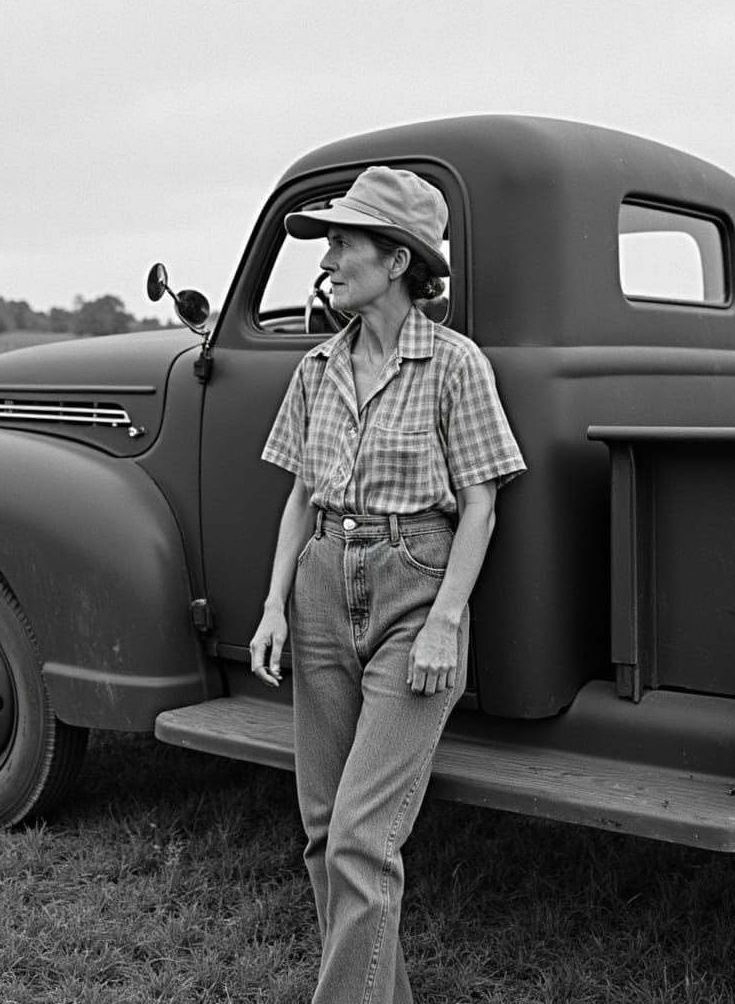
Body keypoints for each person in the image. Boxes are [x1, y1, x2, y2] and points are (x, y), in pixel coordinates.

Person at [249, 166, 525, 1004]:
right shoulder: (316, 367)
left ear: (398, 260)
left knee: (362, 840)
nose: (326, 260)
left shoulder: (454, 365)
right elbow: (300, 495)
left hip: (415, 591)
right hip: (320, 585)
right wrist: (273, 607)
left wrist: (445, 622)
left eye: (343, 243)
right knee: (324, 832)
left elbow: (481, 505)